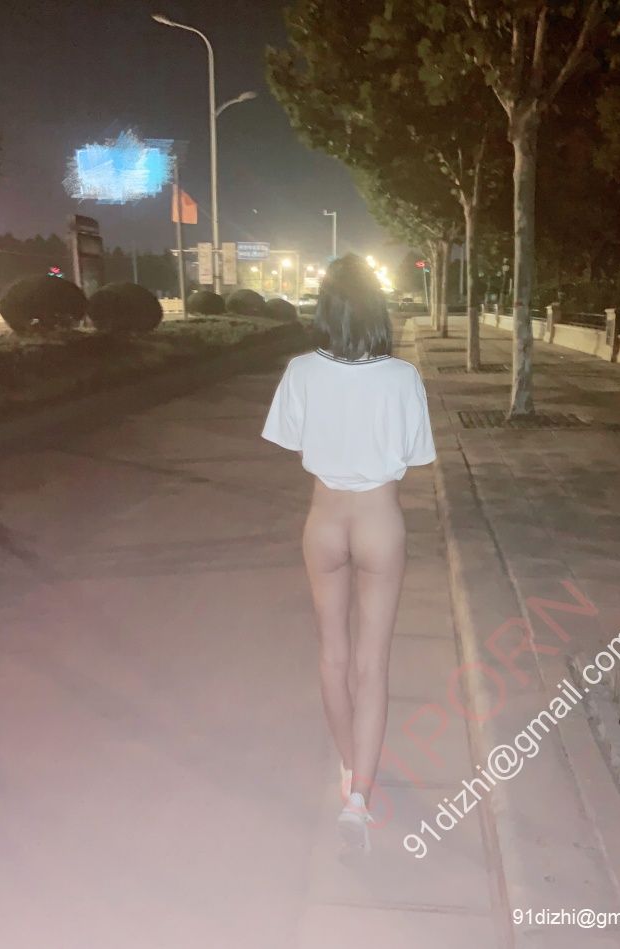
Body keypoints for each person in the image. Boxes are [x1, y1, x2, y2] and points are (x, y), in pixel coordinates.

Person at [261, 254, 436, 854]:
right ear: (377, 308)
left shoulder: (301, 371)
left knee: (333, 656)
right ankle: (360, 799)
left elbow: (294, 441)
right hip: (379, 522)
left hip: (325, 522)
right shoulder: (403, 378)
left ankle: (347, 771)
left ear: (326, 308)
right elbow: (415, 456)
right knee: (372, 664)